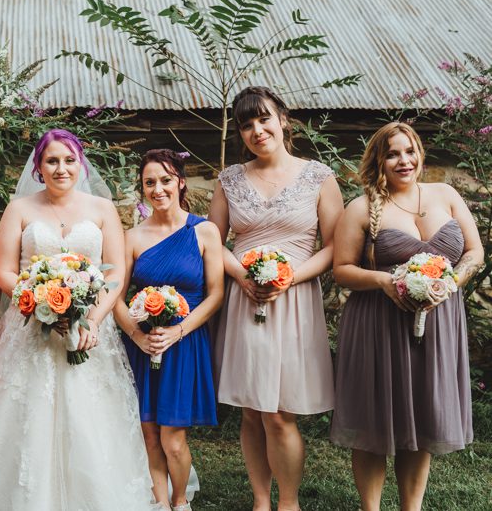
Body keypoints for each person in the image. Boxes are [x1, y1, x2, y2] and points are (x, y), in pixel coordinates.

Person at [0, 129, 160, 510]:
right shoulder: (20, 209)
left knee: (90, 418)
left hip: (89, 332)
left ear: (80, 164)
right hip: (31, 330)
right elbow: (4, 271)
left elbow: (116, 273)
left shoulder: (102, 209)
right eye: (52, 161)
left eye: (69, 160)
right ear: (38, 166)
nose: (61, 168)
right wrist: (39, 303)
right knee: (25, 415)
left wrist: (92, 320)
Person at [330, 122, 480, 511]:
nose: (404, 161)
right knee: (373, 424)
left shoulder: (445, 195)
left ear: (420, 154)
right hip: (378, 326)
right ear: (379, 160)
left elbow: (474, 252)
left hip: (438, 324)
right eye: (393, 154)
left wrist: (449, 282)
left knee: (423, 421)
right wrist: (384, 281)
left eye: (410, 151)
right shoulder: (361, 208)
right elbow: (342, 269)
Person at [208, 86, 344, 511]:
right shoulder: (229, 180)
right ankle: (260, 501)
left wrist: (289, 278)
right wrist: (241, 275)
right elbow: (211, 241)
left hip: (294, 300)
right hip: (245, 298)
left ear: (283, 119)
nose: (257, 130)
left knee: (280, 412)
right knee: (252, 409)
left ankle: (289, 502)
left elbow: (335, 247)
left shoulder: (319, 177)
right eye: (247, 124)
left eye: (264, 119)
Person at [115, 149, 224, 511]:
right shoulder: (132, 237)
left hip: (184, 343)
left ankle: (180, 501)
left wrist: (178, 332)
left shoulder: (204, 231)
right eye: (149, 182)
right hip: (142, 345)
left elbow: (215, 295)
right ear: (142, 188)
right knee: (148, 435)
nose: (157, 189)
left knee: (173, 440)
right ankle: (160, 504)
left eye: (165, 180)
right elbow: (115, 297)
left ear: (180, 182)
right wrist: (137, 336)